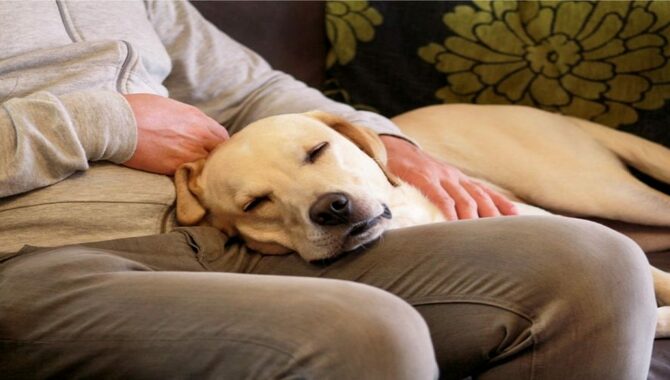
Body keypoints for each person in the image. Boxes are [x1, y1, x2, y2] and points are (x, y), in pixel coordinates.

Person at [0, 1, 657, 379]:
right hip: (45, 262)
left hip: (240, 236)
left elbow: (252, 92)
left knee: (594, 265)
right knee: (364, 329)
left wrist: (390, 144)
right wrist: (103, 123)